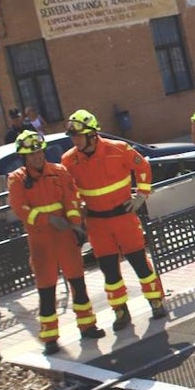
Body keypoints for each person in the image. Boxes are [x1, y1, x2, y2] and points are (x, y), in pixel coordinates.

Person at [61, 109, 167, 330]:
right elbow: (69, 189)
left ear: (91, 134)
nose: (74, 140)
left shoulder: (117, 149)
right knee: (109, 269)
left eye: (77, 136)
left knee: (139, 262)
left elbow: (142, 166)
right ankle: (120, 310)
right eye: (72, 136)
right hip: (97, 223)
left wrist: (142, 193)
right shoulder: (69, 160)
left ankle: (156, 300)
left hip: (123, 217)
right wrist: (77, 205)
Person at [7, 130, 106, 355]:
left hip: (65, 237)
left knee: (78, 282)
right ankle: (50, 337)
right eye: (32, 155)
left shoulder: (59, 172)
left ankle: (87, 325)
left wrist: (75, 224)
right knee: (47, 289)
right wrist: (47, 219)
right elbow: (21, 209)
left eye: (39, 153)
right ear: (24, 158)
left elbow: (71, 200)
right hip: (41, 241)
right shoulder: (17, 179)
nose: (37, 157)